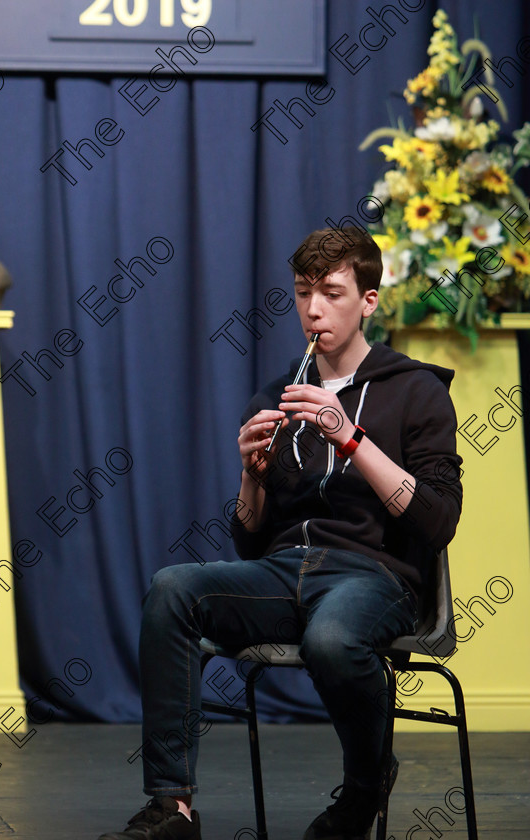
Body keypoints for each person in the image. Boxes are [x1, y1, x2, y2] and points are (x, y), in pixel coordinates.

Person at [97, 226, 463, 840]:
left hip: (373, 577)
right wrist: (252, 477)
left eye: (332, 293)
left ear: (369, 301)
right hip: (284, 572)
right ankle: (172, 807)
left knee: (332, 640)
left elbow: (438, 521)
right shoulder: (277, 395)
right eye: (303, 292)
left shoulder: (417, 389)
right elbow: (248, 540)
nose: (313, 309)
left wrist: (350, 437)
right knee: (172, 589)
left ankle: (366, 787)